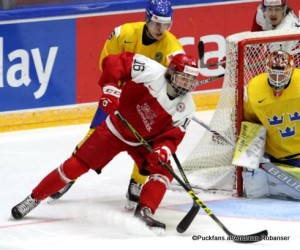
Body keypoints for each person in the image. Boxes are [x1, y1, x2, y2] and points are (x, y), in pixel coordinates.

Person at [11, 52, 199, 234]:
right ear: (171, 72)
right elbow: (114, 62)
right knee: (75, 166)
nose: (187, 84)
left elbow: (172, 136)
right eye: (183, 78)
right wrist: (111, 89)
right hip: (115, 129)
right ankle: (33, 198)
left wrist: (163, 150)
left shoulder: (188, 107)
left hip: (142, 141)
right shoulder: (150, 70)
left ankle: (145, 211)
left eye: (190, 80)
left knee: (163, 170)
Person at [49, 0, 185, 211]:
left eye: (166, 24)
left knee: (147, 145)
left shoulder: (172, 48)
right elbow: (107, 63)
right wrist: (115, 89)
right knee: (94, 134)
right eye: (157, 23)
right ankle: (69, 177)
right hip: (119, 95)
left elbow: (178, 75)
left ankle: (137, 184)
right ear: (147, 19)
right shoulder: (123, 33)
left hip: (144, 103)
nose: (162, 30)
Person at [242, 50, 300, 200]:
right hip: (273, 158)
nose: (277, 80)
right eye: (273, 74)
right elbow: (249, 123)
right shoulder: (254, 89)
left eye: (282, 75)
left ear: (291, 72)